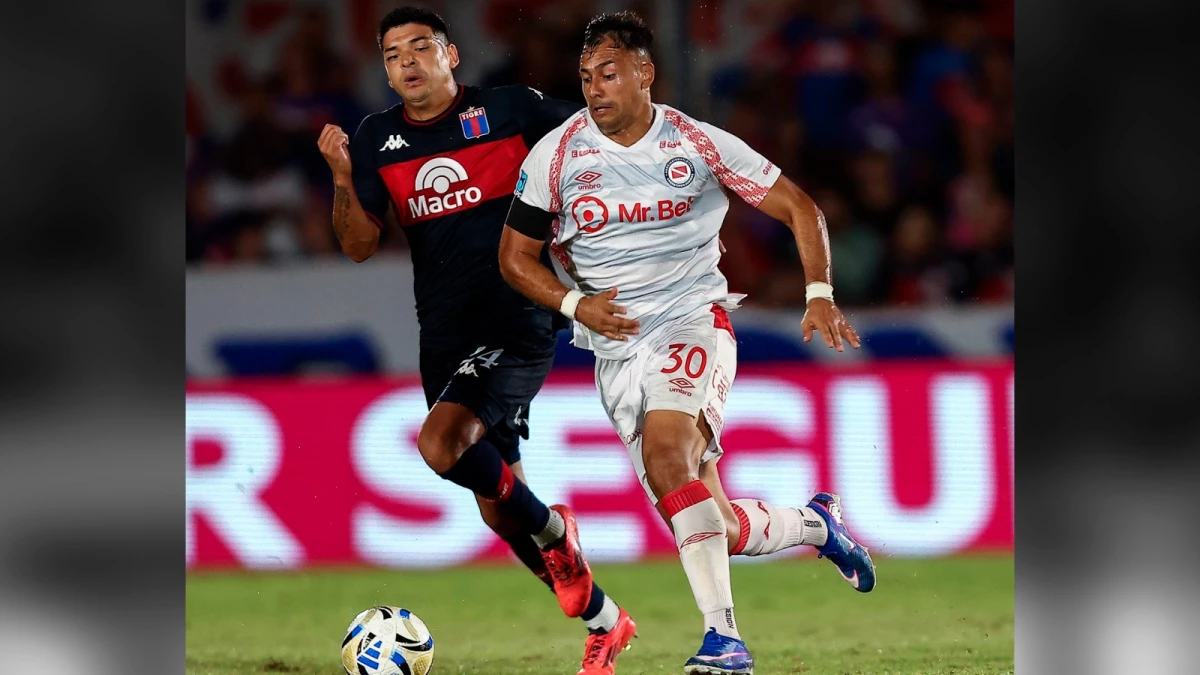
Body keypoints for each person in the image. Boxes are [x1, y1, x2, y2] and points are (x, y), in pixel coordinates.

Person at [499, 12, 876, 674]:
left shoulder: (695, 142)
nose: (594, 88)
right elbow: (513, 257)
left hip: (692, 321)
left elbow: (799, 206)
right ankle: (817, 524)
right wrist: (575, 304)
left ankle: (723, 639)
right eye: (585, 77)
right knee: (714, 524)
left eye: (609, 73)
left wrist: (818, 293)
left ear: (645, 73)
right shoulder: (555, 156)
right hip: (615, 348)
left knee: (668, 455)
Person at [314, 8, 636, 674]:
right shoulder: (376, 138)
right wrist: (342, 176)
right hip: (444, 333)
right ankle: (606, 620)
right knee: (498, 510)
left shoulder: (511, 110)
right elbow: (358, 244)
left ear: (451, 54)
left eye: (420, 47)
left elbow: (602, 139)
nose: (407, 61)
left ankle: (557, 533)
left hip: (517, 315)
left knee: (441, 444)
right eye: (393, 54)